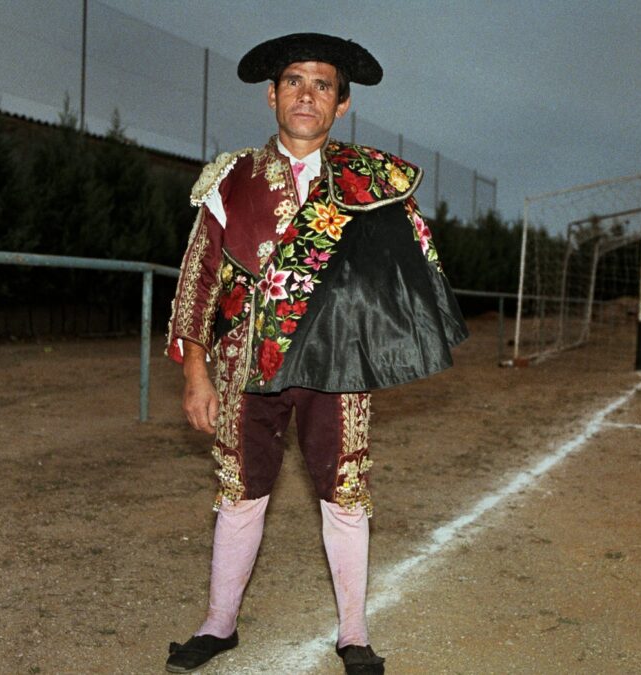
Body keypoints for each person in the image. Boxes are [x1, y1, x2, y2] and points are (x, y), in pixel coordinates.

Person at [163, 33, 467, 675]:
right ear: (272, 95)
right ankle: (219, 625)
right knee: (240, 491)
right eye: (294, 81)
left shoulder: (372, 183)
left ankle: (353, 633)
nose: (307, 94)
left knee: (345, 493)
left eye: (322, 85)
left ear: (342, 106)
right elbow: (197, 277)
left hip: (339, 366)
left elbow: (405, 278)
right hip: (247, 365)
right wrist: (196, 371)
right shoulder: (230, 178)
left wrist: (389, 347)